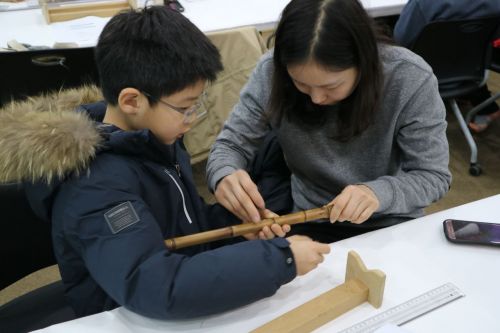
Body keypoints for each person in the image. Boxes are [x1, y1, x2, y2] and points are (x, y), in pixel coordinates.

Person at [0, 6, 331, 324]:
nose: (192, 119)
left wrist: (242, 224)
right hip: (121, 315)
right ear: (132, 101)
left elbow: (184, 224)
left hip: (170, 297)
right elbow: (154, 284)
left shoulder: (153, 139)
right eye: (185, 108)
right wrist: (280, 261)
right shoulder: (95, 184)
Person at [206, 0, 452, 244]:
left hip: (390, 221)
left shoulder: (409, 78)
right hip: (311, 220)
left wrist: (377, 193)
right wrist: (224, 174)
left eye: (330, 86)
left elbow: (432, 175)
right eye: (301, 84)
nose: (316, 98)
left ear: (363, 61)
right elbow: (231, 145)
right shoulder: (271, 71)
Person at [393, 0, 500, 132]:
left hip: (421, 78)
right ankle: (482, 103)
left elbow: (400, 40)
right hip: (470, 72)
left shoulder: (422, 4)